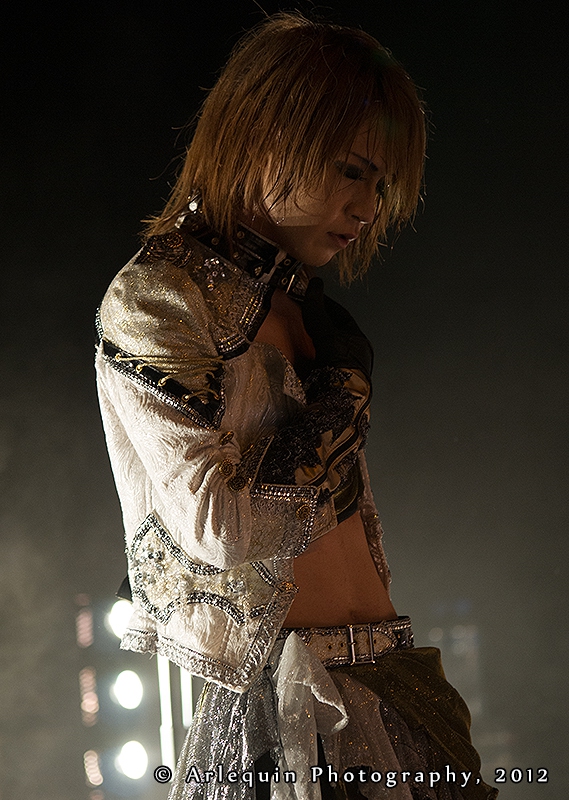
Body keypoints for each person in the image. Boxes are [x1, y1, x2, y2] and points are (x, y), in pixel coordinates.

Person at [96, 12, 497, 800]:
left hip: (392, 679)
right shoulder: (156, 299)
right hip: (278, 712)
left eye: (379, 186)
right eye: (351, 171)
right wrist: (336, 402)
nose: (367, 207)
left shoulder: (298, 307)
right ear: (266, 135)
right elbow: (220, 531)